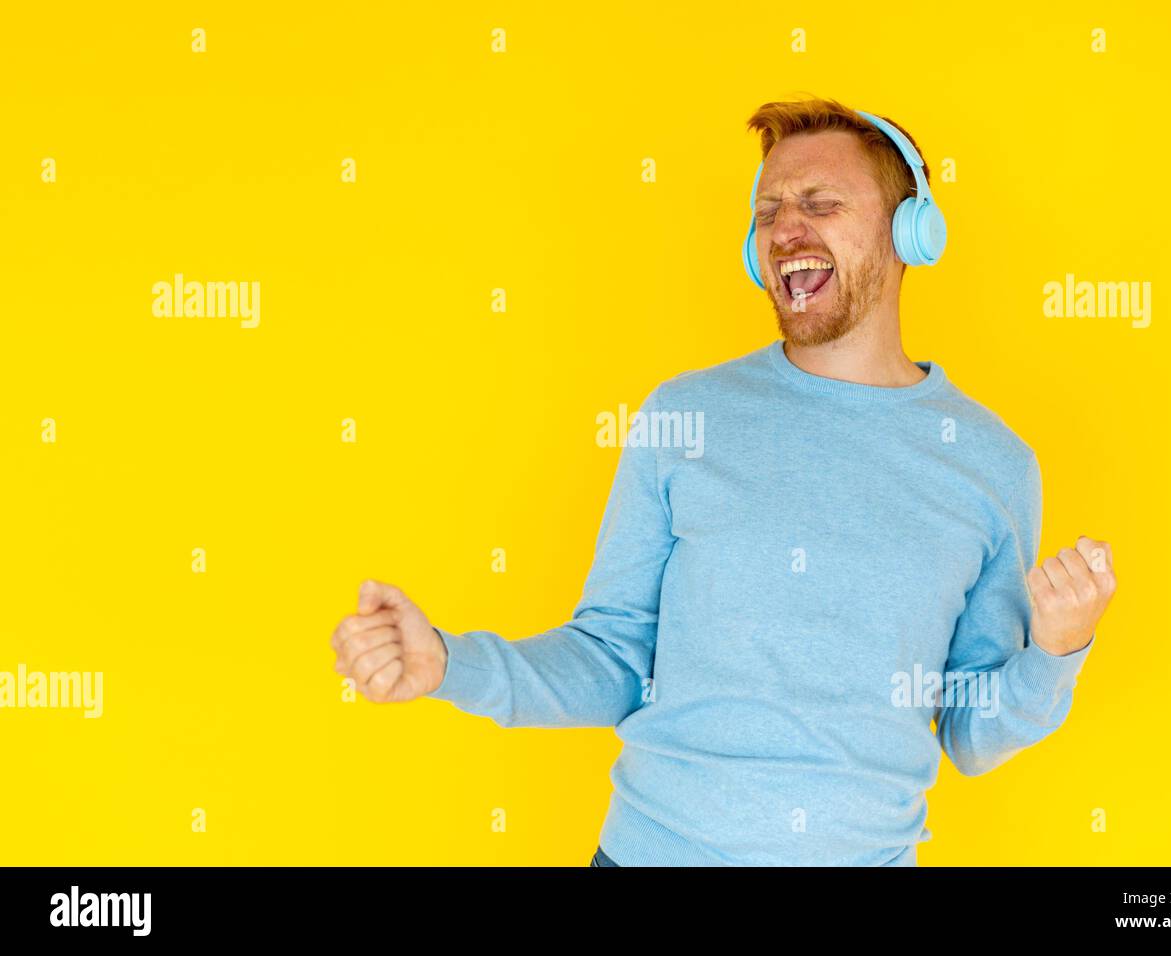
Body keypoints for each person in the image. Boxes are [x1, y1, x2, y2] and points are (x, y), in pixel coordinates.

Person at [330, 95, 1117, 866]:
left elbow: (973, 735)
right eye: (767, 210)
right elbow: (613, 660)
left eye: (819, 202)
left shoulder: (991, 463)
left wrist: (1056, 649)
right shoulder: (686, 417)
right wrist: (446, 663)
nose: (785, 230)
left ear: (910, 229)